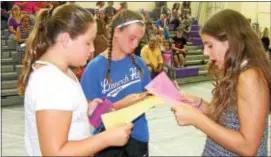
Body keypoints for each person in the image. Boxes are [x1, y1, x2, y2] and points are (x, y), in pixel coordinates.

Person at [17, 4, 133, 156]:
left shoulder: (64, 73)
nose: (92, 49)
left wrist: (86, 111)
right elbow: (55, 153)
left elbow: (64, 119)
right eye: (88, 42)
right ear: (65, 39)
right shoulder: (50, 81)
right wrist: (106, 138)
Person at [171, 9, 271, 156]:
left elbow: (248, 147)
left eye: (210, 45)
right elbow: (227, 118)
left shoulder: (250, 77)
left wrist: (196, 119)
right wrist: (198, 104)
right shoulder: (234, 71)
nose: (205, 52)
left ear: (231, 41)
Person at [81, 9, 151, 157]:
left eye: (139, 40)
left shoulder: (139, 63)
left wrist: (163, 92)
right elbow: (91, 117)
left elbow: (148, 96)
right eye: (132, 38)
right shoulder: (94, 68)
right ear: (117, 31)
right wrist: (120, 105)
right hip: (108, 140)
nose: (135, 44)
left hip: (139, 136)